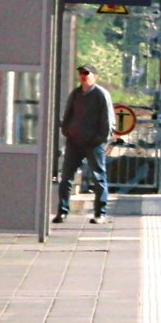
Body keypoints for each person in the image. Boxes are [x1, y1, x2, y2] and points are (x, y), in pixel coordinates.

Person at [54, 64, 114, 224]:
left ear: (95, 77)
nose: (83, 76)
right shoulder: (76, 94)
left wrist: (100, 139)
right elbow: (68, 113)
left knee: (98, 177)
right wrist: (67, 131)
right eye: (81, 73)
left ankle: (100, 213)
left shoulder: (101, 95)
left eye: (87, 73)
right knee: (66, 177)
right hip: (74, 141)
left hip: (93, 144)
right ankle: (62, 211)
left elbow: (108, 120)